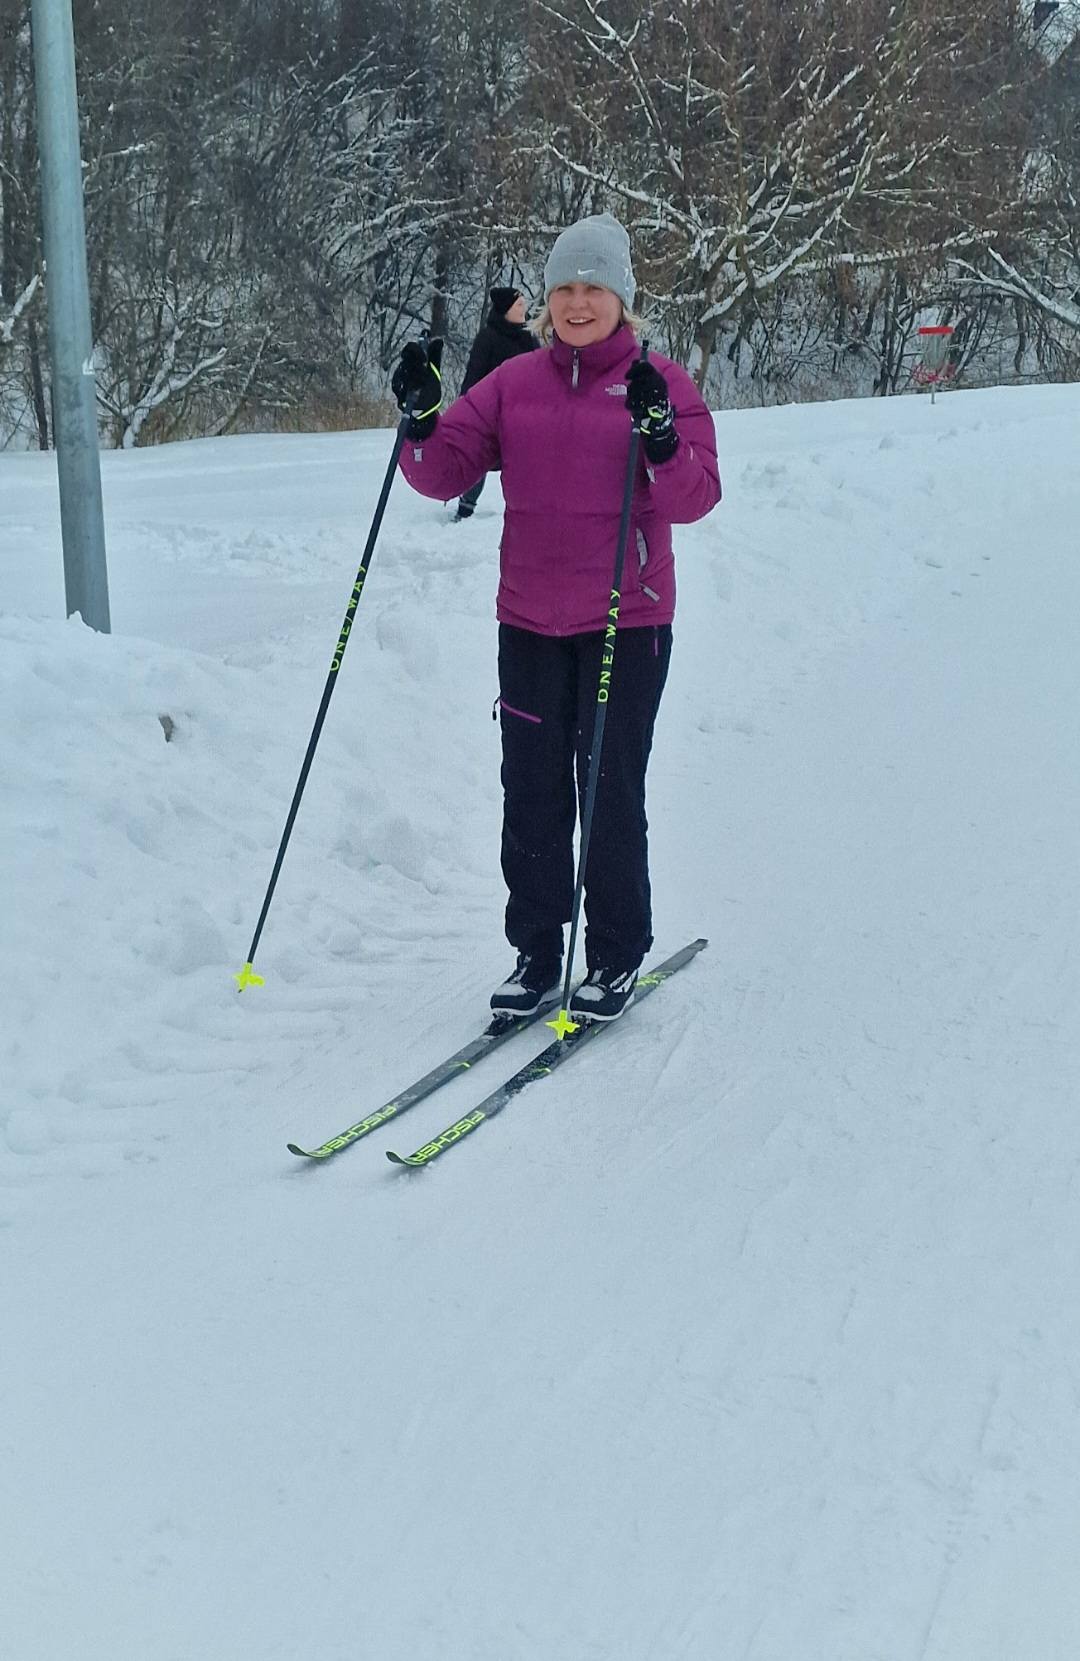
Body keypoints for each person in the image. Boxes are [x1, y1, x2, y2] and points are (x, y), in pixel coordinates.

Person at [391, 213, 721, 1021]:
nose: (577, 303)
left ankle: (615, 952)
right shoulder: (515, 383)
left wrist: (660, 437)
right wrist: (421, 419)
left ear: (622, 298)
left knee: (608, 789)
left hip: (625, 622)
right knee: (532, 792)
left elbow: (696, 495)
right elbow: (442, 471)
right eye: (564, 288)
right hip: (530, 621)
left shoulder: (659, 383)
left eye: (593, 288)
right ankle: (537, 951)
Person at [453, 286, 537, 521]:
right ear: (506, 309)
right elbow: (474, 374)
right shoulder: (487, 338)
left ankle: (524, 509)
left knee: (522, 463)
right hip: (489, 413)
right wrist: (467, 408)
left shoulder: (528, 337)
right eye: (519, 305)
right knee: (479, 458)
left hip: (523, 414)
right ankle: (465, 508)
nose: (524, 309)